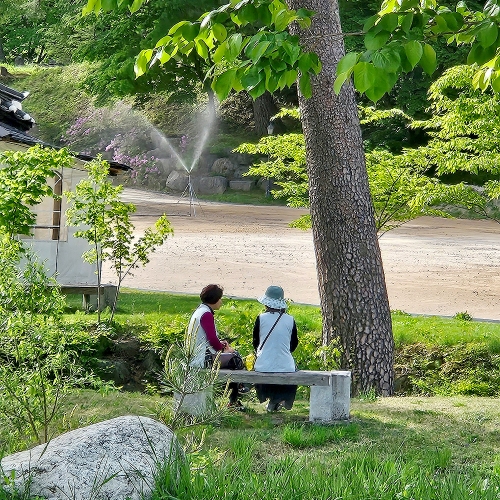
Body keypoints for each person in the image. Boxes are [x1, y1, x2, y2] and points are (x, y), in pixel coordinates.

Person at [186, 284, 244, 410]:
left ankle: (235, 395)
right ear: (215, 299)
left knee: (232, 357)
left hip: (197, 355)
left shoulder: (200, 311)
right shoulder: (206, 314)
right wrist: (226, 350)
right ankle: (234, 400)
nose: (221, 302)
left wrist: (221, 345)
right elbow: (212, 341)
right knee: (235, 359)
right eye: (220, 298)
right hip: (202, 358)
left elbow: (208, 338)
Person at [253, 285, 298, 411]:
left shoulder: (260, 319)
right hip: (286, 365)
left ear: (266, 303)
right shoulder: (290, 320)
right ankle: (278, 400)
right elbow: (293, 344)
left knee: (265, 368)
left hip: (263, 365)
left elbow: (255, 342)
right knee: (290, 368)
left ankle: (273, 401)